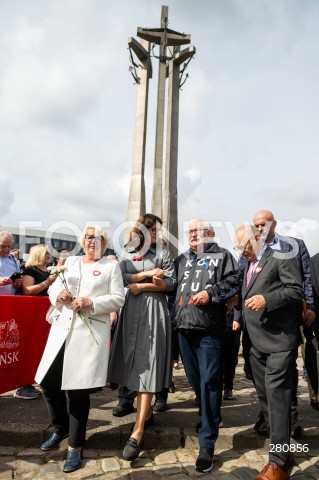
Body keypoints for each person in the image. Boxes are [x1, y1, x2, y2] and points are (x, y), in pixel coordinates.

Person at [35, 225, 125, 473]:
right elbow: (53, 285)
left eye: (97, 237)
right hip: (62, 329)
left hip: (88, 334)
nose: (92, 241)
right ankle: (60, 427)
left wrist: (91, 302)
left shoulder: (110, 266)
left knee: (78, 390)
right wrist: (58, 294)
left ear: (104, 242)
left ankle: (75, 446)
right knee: (48, 382)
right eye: (88, 237)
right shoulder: (71, 261)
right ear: (82, 241)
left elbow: (118, 298)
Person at [234, 225, 304, 480]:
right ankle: (286, 453)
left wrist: (267, 299)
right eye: (239, 248)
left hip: (279, 342)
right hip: (256, 343)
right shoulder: (250, 263)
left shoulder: (280, 257)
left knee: (277, 400)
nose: (242, 252)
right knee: (268, 403)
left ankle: (278, 463)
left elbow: (295, 289)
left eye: (245, 246)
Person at [174, 219, 240, 473]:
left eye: (197, 231)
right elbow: (173, 288)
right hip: (183, 328)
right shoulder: (181, 259)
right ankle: (209, 415)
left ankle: (207, 442)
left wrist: (211, 293)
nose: (191, 234)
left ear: (210, 234)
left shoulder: (222, 256)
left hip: (209, 329)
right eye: (188, 231)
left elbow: (235, 281)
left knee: (211, 382)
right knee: (194, 380)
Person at [108, 213, 176, 462]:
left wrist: (145, 285)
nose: (158, 235)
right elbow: (120, 278)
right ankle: (145, 414)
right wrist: (145, 276)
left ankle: (137, 432)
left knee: (147, 364)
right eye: (155, 231)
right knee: (132, 362)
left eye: (159, 231)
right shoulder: (126, 250)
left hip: (154, 311)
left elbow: (171, 282)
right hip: (131, 311)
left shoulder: (164, 252)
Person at [247, 209, 315, 436]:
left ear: (274, 223)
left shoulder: (292, 246)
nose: (259, 228)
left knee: (287, 374)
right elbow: (244, 282)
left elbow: (304, 278)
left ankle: (290, 419)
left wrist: (310, 307)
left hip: (286, 321)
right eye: (256, 225)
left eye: (263, 224)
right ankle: (270, 417)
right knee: (264, 378)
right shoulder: (249, 252)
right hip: (258, 326)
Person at [14, 244, 57, 399]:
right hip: (33, 315)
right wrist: (47, 283)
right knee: (30, 347)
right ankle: (24, 384)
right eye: (46, 253)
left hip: (48, 316)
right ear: (38, 254)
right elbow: (28, 290)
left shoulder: (50, 271)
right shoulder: (31, 270)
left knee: (44, 347)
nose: (49, 255)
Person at [0, 231, 22, 296]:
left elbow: (18, 284)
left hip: (9, 300)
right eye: (3, 246)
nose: (6, 249)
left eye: (9, 247)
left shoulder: (14, 261)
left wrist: (17, 284)